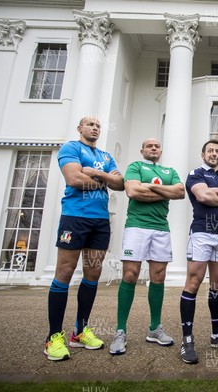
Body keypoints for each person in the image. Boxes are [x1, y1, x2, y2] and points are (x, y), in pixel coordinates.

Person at [45, 116, 125, 361]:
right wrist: (103, 181)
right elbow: (74, 179)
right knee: (65, 272)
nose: (95, 128)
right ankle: (53, 337)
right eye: (90, 125)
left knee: (93, 273)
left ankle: (79, 331)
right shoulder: (71, 148)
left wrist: (96, 173)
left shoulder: (105, 156)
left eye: (98, 126)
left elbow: (120, 184)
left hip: (100, 221)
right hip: (75, 217)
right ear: (80, 128)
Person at [109, 138, 185, 355]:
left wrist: (148, 186)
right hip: (137, 227)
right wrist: (163, 191)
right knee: (130, 275)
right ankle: (120, 331)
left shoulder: (169, 171)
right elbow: (133, 192)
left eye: (157, 146)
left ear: (161, 151)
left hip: (161, 228)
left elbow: (180, 192)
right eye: (149, 146)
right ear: (142, 150)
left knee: (158, 277)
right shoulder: (135, 166)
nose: (154, 148)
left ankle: (154, 329)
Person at [179, 139, 218, 364]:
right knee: (194, 282)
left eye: (217, 151)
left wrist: (217, 191)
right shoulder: (195, 173)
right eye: (210, 151)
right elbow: (203, 196)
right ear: (203, 153)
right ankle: (187, 338)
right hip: (202, 233)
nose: (214, 154)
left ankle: (217, 334)